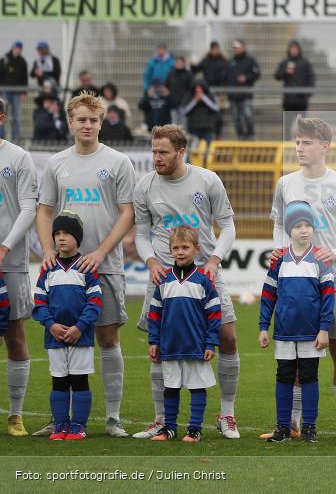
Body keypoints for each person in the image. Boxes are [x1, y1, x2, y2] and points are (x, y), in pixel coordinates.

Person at [34, 93, 134, 438]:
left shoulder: (119, 161)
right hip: (62, 270)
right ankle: (59, 418)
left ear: (102, 122)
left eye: (93, 120)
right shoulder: (56, 163)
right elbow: (44, 209)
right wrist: (47, 248)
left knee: (107, 337)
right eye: (81, 119)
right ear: (71, 122)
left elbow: (127, 212)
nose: (88, 125)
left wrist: (102, 251)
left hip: (103, 265)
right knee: (60, 339)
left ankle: (113, 417)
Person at [132, 125, 241, 439]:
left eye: (163, 152)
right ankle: (161, 420)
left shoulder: (207, 180)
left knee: (228, 338)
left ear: (181, 152)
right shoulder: (145, 186)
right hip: (164, 277)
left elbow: (228, 227)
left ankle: (227, 414)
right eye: (154, 151)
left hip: (205, 274)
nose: (156, 158)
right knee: (159, 347)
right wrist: (152, 261)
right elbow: (141, 234)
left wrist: (214, 260)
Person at [267, 117, 336, 441]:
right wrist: (279, 250)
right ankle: (294, 423)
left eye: (306, 142)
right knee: (297, 353)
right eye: (297, 142)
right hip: (296, 283)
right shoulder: (286, 184)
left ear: (325, 146)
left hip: (334, 280)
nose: (299, 148)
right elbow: (278, 224)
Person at [260, 201, 334, 444]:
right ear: (289, 230)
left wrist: (324, 329)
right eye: (298, 226)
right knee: (284, 377)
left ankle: (309, 427)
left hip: (311, 333)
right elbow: (269, 293)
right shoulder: (279, 260)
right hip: (283, 332)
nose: (304, 230)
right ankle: (283, 427)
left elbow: (328, 298)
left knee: (310, 377)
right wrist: (263, 326)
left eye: (308, 225)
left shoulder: (321, 260)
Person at [147, 226, 221, 443]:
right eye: (175, 247)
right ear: (170, 250)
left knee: (197, 387)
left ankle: (195, 429)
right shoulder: (164, 280)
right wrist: (154, 341)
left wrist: (211, 343)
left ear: (196, 249)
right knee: (170, 387)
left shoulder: (203, 280)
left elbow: (214, 314)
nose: (180, 252)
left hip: (196, 346)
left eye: (185, 247)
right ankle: (169, 428)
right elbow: (155, 314)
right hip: (169, 346)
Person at [32, 211, 102, 441]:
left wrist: (80, 326)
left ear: (78, 238)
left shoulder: (87, 268)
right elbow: (39, 302)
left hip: (80, 336)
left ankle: (79, 426)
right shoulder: (48, 269)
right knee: (59, 381)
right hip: (55, 337)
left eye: (67, 233)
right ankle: (61, 425)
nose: (61, 238)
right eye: (58, 233)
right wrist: (50, 324)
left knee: (79, 380)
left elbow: (95, 303)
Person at [0, 97, 39, 436]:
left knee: (14, 334)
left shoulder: (17, 157)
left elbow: (28, 208)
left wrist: (5, 245)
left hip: (10, 262)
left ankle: (15, 414)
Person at [190, 41, 229, 138]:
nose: (215, 51)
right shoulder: (206, 61)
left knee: (219, 116)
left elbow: (228, 77)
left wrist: (224, 93)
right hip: (208, 93)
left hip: (220, 93)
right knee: (210, 115)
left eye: (217, 48)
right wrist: (192, 65)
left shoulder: (224, 61)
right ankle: (210, 136)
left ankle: (218, 136)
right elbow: (196, 70)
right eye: (213, 49)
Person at [225, 39, 260, 137]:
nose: (235, 49)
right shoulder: (230, 61)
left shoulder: (250, 60)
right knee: (236, 118)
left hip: (246, 95)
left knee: (247, 115)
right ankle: (240, 137)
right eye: (234, 48)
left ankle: (250, 135)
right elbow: (226, 77)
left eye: (237, 47)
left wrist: (246, 77)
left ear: (243, 47)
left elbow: (257, 74)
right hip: (233, 96)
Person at [275, 40, 316, 114]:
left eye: (295, 48)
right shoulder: (285, 61)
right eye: (292, 48)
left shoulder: (305, 62)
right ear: (289, 50)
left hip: (301, 99)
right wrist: (286, 72)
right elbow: (277, 75)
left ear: (299, 49)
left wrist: (308, 92)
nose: (294, 50)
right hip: (288, 99)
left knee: (302, 123)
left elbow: (311, 77)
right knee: (287, 123)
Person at [0, 41, 28, 140]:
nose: (17, 50)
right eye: (16, 48)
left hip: (17, 92)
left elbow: (25, 77)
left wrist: (24, 92)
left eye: (19, 49)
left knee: (16, 115)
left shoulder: (22, 61)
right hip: (5, 92)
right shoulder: (4, 59)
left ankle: (15, 137)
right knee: (2, 114)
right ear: (12, 48)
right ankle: (1, 136)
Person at [182, 80, 221, 147]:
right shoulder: (189, 96)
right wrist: (195, 100)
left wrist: (203, 98)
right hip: (194, 128)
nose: (198, 90)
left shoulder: (210, 96)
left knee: (209, 149)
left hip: (208, 128)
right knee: (194, 149)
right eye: (196, 88)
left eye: (199, 88)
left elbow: (216, 108)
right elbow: (185, 111)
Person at [165, 56, 194, 127]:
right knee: (173, 124)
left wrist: (186, 100)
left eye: (181, 62)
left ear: (184, 63)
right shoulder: (171, 74)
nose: (179, 64)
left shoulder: (188, 74)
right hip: (173, 103)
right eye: (177, 62)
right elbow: (166, 86)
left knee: (183, 124)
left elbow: (191, 88)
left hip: (184, 103)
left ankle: (182, 137)